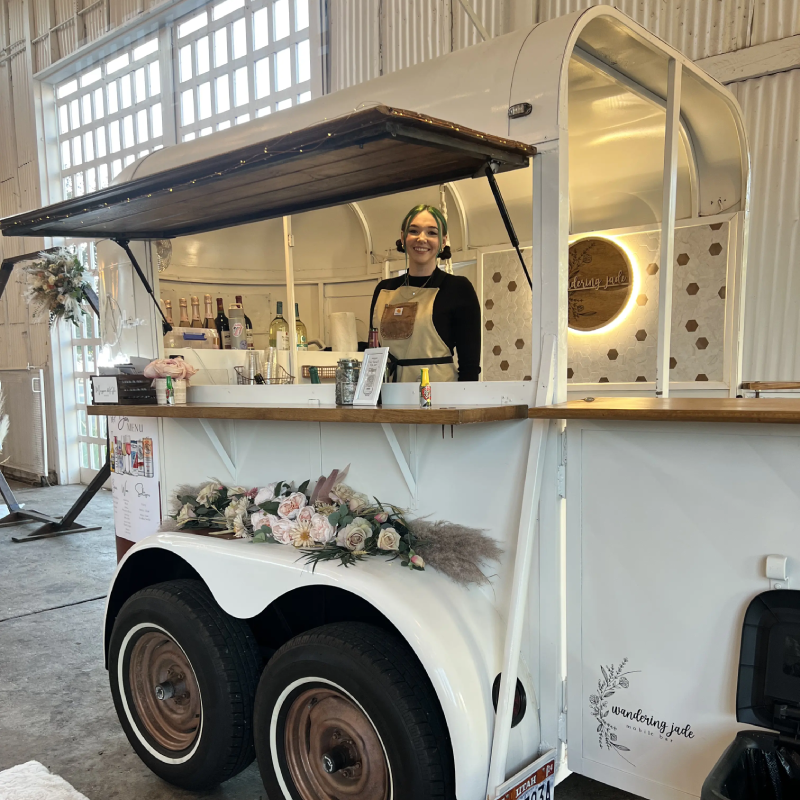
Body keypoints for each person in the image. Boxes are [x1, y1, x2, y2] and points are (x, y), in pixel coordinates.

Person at [369, 204, 481, 382]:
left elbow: (470, 367)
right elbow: (373, 355)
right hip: (390, 397)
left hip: (439, 400)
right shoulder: (384, 290)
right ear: (403, 238)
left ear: (443, 241)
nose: (421, 238)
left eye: (431, 232)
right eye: (414, 231)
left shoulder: (458, 289)